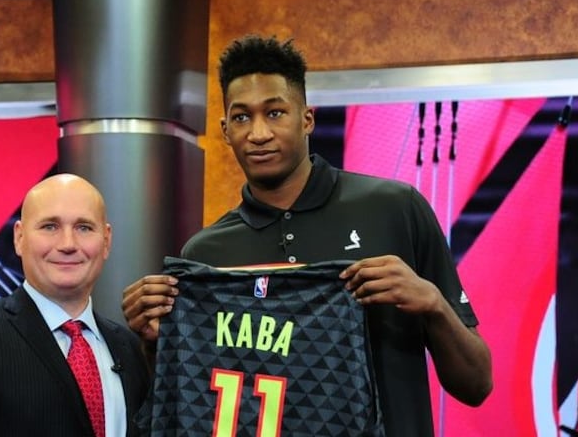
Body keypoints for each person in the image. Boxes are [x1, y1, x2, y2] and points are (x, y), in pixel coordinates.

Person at [121, 35, 492, 436]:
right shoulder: (206, 254)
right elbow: (195, 402)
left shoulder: (395, 209)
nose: (258, 133)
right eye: (242, 118)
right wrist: (153, 342)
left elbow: (476, 385)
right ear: (225, 130)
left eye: (275, 112)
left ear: (307, 119)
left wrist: (433, 305)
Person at [0, 173, 150, 437]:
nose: (68, 244)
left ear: (106, 241)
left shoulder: (128, 347)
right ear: (19, 237)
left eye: (84, 228)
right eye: (50, 227)